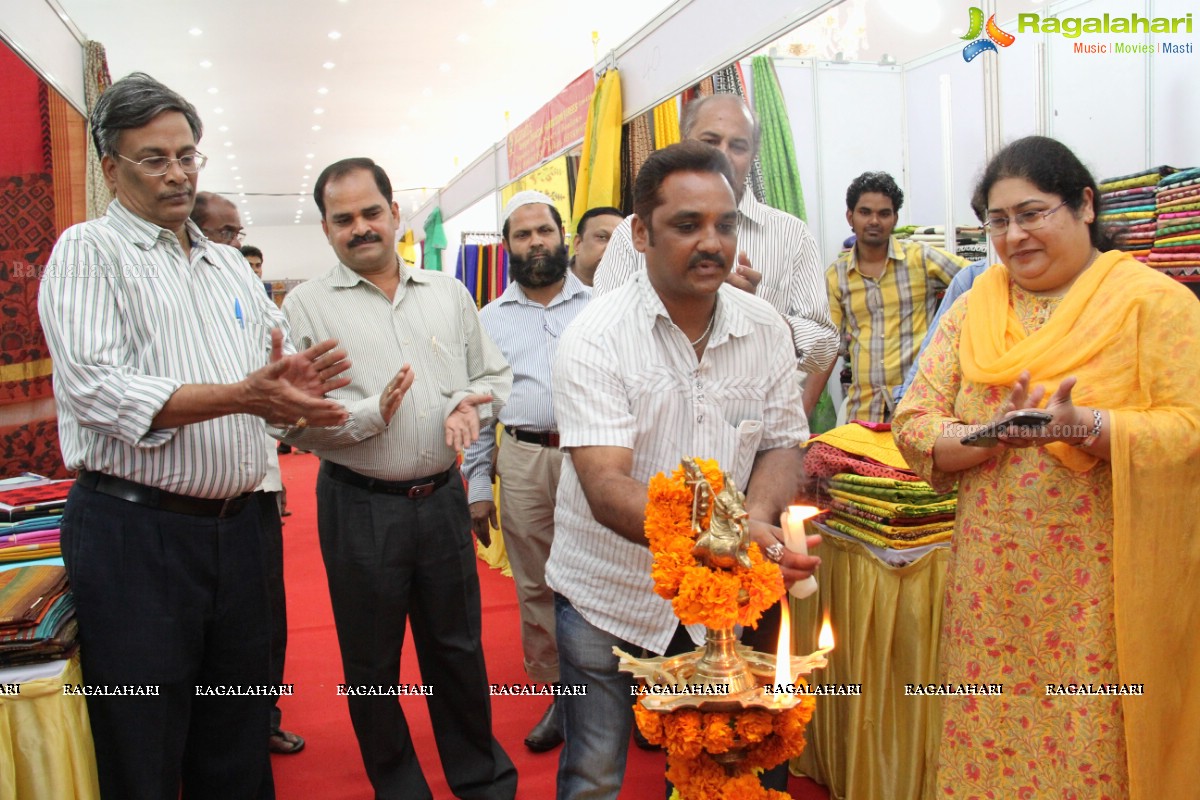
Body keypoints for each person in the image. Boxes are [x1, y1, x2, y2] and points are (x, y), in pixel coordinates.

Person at [37, 72, 351, 800]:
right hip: (134, 534)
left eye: (187, 155)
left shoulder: (225, 268)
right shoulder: (88, 253)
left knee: (239, 733)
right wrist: (243, 394)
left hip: (241, 531)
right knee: (142, 741)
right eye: (154, 158)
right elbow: (96, 390)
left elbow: (262, 398)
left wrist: (288, 400)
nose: (177, 173)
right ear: (110, 168)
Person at [892, 135, 1200, 800]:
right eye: (997, 221)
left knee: (1089, 754)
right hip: (992, 592)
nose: (1013, 236)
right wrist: (989, 437)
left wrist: (1086, 427)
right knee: (991, 749)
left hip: (1101, 599)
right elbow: (913, 422)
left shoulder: (1156, 305)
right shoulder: (977, 306)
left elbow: (1191, 430)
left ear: (1084, 204)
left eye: (1031, 213)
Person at [545, 140, 820, 799]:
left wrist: (755, 521)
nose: (712, 243)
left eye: (724, 224)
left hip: (722, 599)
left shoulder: (763, 328)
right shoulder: (595, 337)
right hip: (607, 594)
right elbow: (607, 487)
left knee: (726, 762)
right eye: (687, 225)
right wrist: (728, 534)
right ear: (640, 234)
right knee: (594, 771)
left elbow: (784, 442)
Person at [279, 157, 517, 800]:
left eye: (370, 213)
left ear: (394, 214)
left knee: (459, 650)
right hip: (359, 506)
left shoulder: (447, 293)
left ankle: (482, 777)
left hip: (441, 499)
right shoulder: (304, 306)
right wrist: (368, 416)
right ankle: (399, 785)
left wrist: (469, 400)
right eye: (343, 219)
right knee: (371, 661)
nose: (360, 228)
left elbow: (495, 376)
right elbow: (291, 424)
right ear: (326, 230)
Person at [593, 94, 837, 415]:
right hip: (654, 430)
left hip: (754, 436)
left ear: (752, 156)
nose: (722, 155)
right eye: (710, 140)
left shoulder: (790, 235)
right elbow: (601, 335)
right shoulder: (635, 233)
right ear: (686, 143)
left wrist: (764, 318)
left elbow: (824, 346)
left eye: (738, 146)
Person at [462, 191, 590, 753]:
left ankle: (620, 690)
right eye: (523, 234)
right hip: (520, 458)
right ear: (508, 246)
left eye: (545, 231)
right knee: (537, 583)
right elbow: (478, 405)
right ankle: (562, 698)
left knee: (603, 575)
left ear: (564, 237)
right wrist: (475, 485)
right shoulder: (486, 321)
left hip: (596, 457)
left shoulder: (605, 306)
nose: (536, 242)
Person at [192, 199, 304, 756]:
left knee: (264, 614)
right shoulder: (182, 298)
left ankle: (263, 714)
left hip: (255, 487)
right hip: (184, 497)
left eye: (238, 232)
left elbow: (284, 361)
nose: (234, 243)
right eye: (223, 232)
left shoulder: (247, 291)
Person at [802, 171, 969, 422]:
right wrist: (799, 415)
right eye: (865, 212)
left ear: (895, 218)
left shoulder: (921, 259)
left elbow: (977, 279)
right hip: (864, 412)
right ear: (850, 216)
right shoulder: (836, 277)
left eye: (883, 213)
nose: (874, 221)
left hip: (918, 407)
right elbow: (827, 349)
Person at [891, 257, 988, 405]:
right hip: (967, 423)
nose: (1015, 236)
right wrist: (905, 400)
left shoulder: (920, 256)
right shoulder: (971, 280)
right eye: (1001, 231)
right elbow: (933, 348)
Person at [570, 205, 622, 286]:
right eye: (602, 237)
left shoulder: (633, 290)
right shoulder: (550, 285)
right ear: (578, 243)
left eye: (619, 240)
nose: (612, 247)